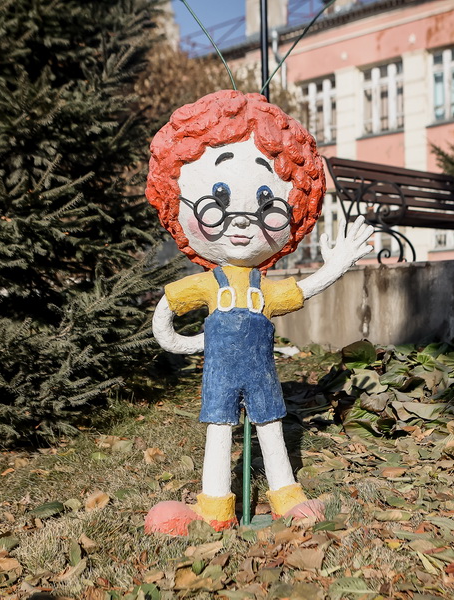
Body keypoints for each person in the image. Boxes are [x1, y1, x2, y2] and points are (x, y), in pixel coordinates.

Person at [144, 90, 373, 534]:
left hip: (261, 373)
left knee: (270, 425)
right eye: (218, 199)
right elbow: (165, 320)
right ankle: (214, 508)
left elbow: (301, 290)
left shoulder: (261, 287)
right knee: (218, 429)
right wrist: (198, 342)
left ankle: (287, 497)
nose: (242, 221)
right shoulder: (209, 284)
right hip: (220, 376)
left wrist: (336, 265)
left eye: (267, 202)